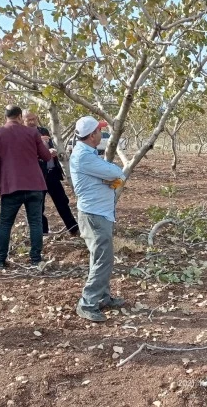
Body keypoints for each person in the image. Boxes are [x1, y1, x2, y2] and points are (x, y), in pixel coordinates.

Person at [70, 116, 126, 322]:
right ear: (92, 135)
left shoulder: (88, 154)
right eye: (99, 131)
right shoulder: (84, 157)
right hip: (94, 214)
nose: (101, 134)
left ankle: (102, 297)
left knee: (99, 257)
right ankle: (87, 303)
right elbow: (117, 173)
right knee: (104, 258)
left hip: (99, 213)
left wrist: (111, 178)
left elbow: (114, 177)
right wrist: (112, 177)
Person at [0, 105, 56, 268]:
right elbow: (45, 156)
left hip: (10, 185)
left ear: (6, 117)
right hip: (34, 184)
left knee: (5, 223)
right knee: (35, 222)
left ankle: (0, 259)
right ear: (19, 117)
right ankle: (35, 258)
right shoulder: (32, 132)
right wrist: (52, 151)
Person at [23, 110, 79, 236]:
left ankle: (73, 228)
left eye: (33, 119)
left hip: (52, 172)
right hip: (37, 175)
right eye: (28, 120)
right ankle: (42, 232)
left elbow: (48, 147)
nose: (32, 122)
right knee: (39, 205)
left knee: (62, 201)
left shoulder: (43, 130)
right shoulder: (23, 134)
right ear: (22, 120)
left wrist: (52, 151)